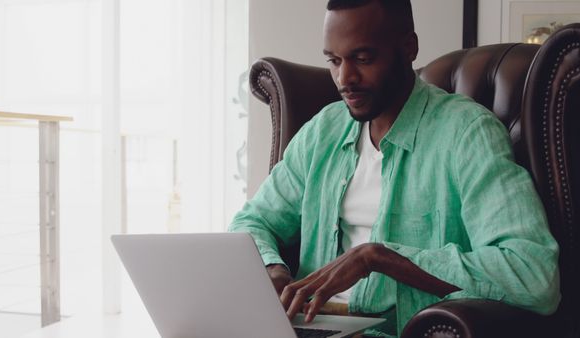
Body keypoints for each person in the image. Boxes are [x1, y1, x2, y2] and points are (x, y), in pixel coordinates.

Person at [229, 0, 560, 336]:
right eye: (333, 60)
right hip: (308, 328)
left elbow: (533, 273)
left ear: (408, 48)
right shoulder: (323, 131)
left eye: (362, 58)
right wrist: (272, 268)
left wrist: (380, 257)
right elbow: (252, 222)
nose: (345, 79)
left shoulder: (467, 132)